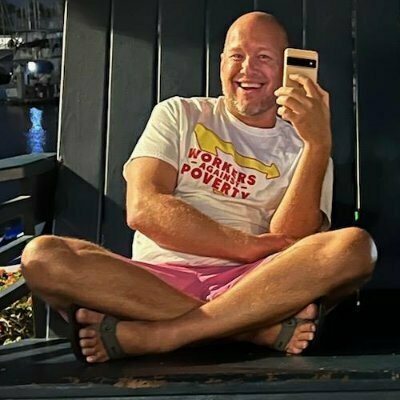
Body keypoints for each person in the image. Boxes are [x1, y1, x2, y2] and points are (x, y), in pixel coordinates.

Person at [21, 12, 377, 363]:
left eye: (264, 58)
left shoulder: (306, 146)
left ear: (285, 69)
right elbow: (144, 209)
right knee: (43, 257)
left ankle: (163, 334)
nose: (247, 69)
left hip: (255, 284)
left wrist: (318, 145)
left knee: (355, 248)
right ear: (221, 63)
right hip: (156, 282)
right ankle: (248, 330)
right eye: (237, 55)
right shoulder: (179, 114)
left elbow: (291, 240)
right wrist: (249, 247)